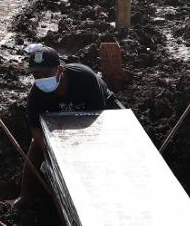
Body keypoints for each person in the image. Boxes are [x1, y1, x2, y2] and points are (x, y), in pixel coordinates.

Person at [12, 45, 120, 207]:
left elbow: (97, 119)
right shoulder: (37, 93)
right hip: (61, 116)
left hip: (97, 112)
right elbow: (35, 128)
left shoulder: (85, 78)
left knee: (112, 143)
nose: (41, 79)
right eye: (36, 75)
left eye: (46, 74)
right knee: (35, 147)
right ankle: (25, 197)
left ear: (60, 70)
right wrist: (50, 154)